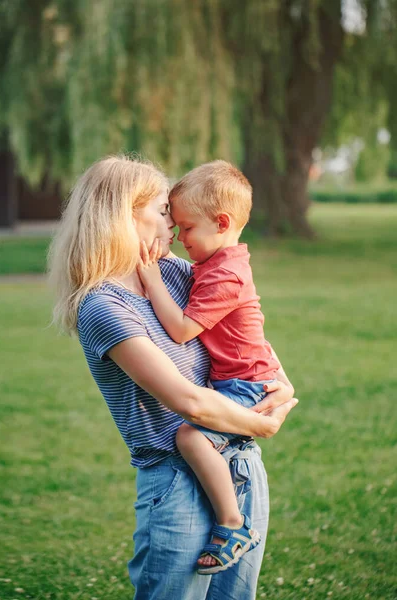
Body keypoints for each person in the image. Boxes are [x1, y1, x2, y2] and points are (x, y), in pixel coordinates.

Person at [48, 154, 298, 600]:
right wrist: (263, 421)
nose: (176, 226)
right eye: (165, 212)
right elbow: (189, 402)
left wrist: (282, 382)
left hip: (239, 461)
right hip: (178, 479)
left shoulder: (176, 273)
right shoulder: (103, 306)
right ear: (124, 217)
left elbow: (245, 330)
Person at [137, 160, 292, 574]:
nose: (179, 236)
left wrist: (151, 280)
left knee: (190, 437)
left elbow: (184, 329)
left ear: (221, 222)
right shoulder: (215, 263)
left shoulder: (227, 275)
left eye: (186, 228)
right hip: (239, 377)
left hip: (244, 384)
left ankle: (231, 522)